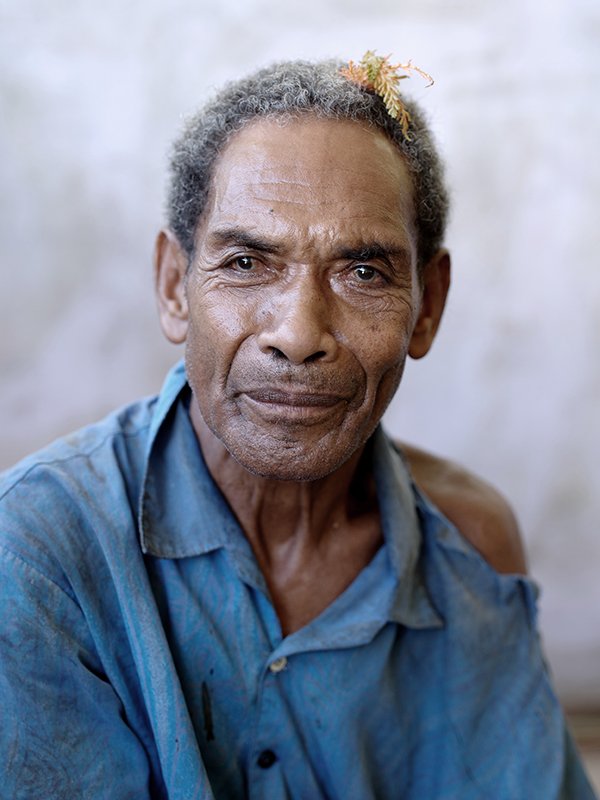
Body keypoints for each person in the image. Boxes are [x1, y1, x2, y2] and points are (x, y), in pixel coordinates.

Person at [0, 58, 595, 800]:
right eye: (247, 262)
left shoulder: (466, 548)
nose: (297, 333)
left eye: (364, 273)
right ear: (173, 286)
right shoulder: (37, 552)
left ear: (428, 304)